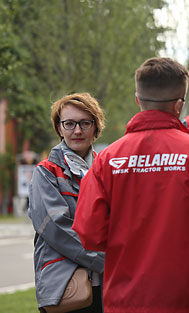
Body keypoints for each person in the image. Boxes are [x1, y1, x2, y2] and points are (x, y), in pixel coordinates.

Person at [72, 57, 189, 313]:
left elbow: (89, 233)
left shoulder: (108, 159)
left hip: (125, 299)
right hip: (186, 298)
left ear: (138, 99)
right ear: (179, 105)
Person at [28, 92, 106, 312]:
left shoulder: (107, 169)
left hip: (108, 285)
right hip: (68, 286)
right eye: (69, 124)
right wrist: (104, 260)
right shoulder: (46, 172)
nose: (78, 131)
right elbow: (56, 227)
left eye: (85, 123)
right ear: (59, 128)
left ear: (96, 127)